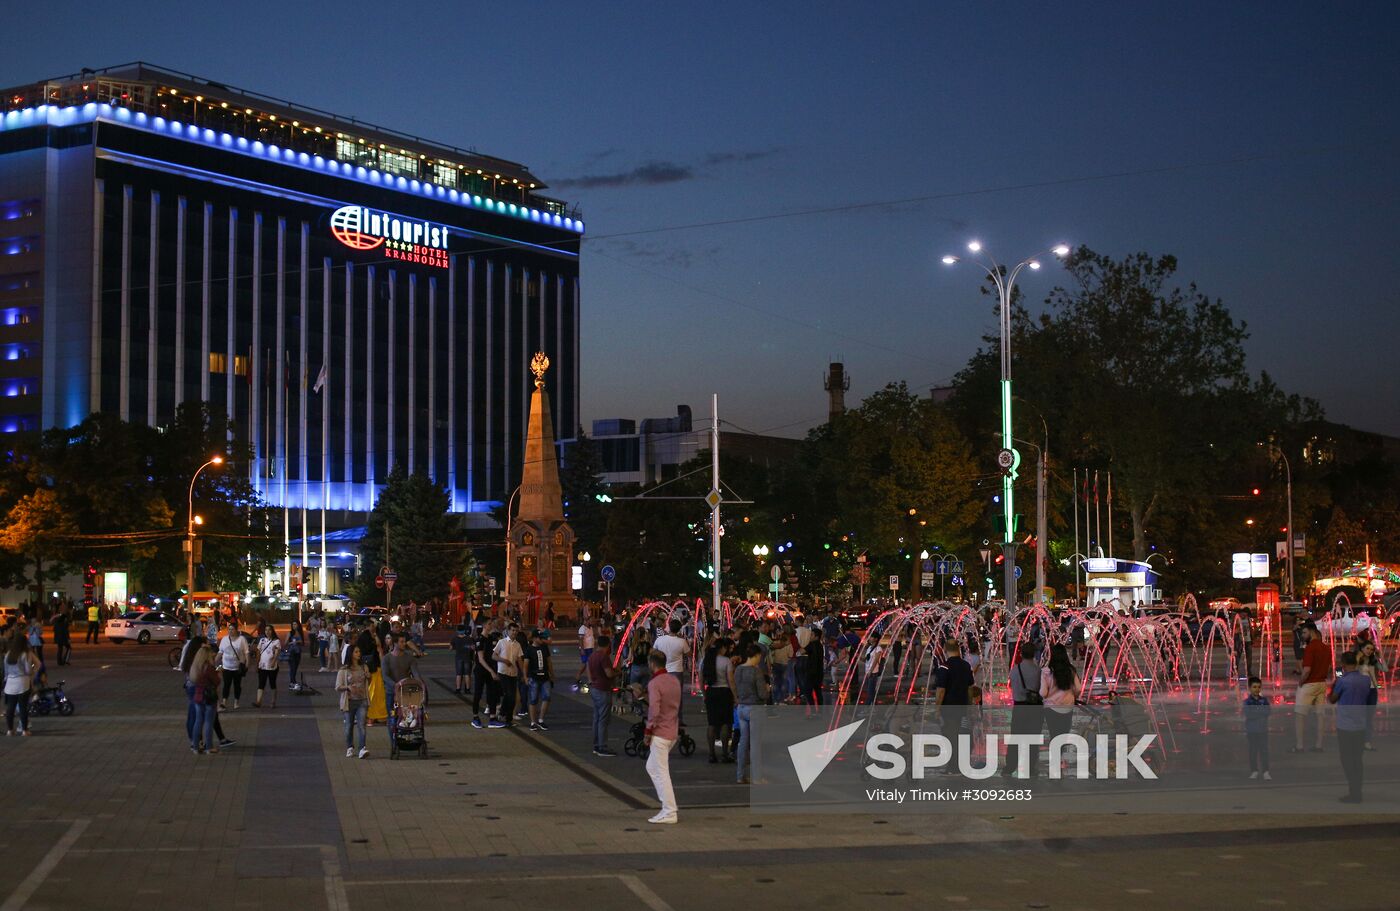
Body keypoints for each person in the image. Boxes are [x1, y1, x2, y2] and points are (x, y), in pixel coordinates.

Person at [644, 649, 681, 824]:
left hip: (660, 733)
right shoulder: (674, 681)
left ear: (652, 664)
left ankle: (669, 810)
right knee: (652, 767)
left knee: (661, 772)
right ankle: (666, 806)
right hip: (672, 729)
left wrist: (648, 731)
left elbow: (654, 710)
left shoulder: (655, 683)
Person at [1329, 651, 1370, 803]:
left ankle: (1353, 792)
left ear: (1343, 665)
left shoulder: (1343, 681)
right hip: (1360, 724)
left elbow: (1332, 699)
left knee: (1347, 759)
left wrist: (1336, 682)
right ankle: (1357, 791)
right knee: (1358, 760)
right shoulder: (1365, 680)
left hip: (1345, 726)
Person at [1040, 644, 1081, 776]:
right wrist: (1073, 696)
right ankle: (1059, 759)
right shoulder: (1071, 670)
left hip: (1051, 709)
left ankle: (1055, 762)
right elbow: (1078, 689)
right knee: (1063, 735)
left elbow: (1043, 692)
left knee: (1054, 735)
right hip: (1067, 707)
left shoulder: (1046, 671)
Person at [936, 640, 975, 774]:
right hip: (962, 706)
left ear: (946, 649)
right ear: (958, 648)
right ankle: (962, 763)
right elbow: (970, 688)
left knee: (950, 736)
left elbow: (941, 690)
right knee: (962, 734)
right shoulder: (966, 665)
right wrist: (969, 705)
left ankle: (953, 766)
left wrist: (937, 708)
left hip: (948, 708)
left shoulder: (944, 667)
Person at [1007, 641, 1043, 778]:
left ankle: (1010, 767)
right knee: (1033, 739)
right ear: (1034, 654)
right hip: (1034, 708)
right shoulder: (1038, 670)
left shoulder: (1015, 670)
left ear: (1021, 653)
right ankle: (1030, 767)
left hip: (1019, 707)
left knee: (1015, 738)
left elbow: (1012, 686)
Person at [1291, 621, 1329, 753]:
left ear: (1312, 631)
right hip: (1322, 684)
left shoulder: (1310, 648)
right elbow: (1328, 668)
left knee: (1300, 715)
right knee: (1320, 715)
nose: (1302, 635)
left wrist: (1301, 682)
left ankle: (1299, 746)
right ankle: (1319, 745)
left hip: (1309, 684)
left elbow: (1306, 670)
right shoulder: (1326, 647)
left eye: (1304, 632)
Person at [732, 643, 767, 785]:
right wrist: (767, 689)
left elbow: (735, 687)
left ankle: (740, 775)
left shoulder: (738, 669)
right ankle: (757, 777)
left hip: (741, 708)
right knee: (755, 744)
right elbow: (762, 694)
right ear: (757, 655)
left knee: (743, 742)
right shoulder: (756, 671)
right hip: (754, 708)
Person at [702, 637, 735, 763]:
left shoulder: (706, 660)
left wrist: (705, 694)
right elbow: (731, 680)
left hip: (711, 692)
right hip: (724, 692)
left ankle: (711, 754)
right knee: (726, 722)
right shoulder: (726, 661)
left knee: (712, 723)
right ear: (722, 648)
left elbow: (701, 679)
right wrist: (735, 696)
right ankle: (725, 754)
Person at [336, 645, 371, 759]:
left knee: (362, 725)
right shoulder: (344, 670)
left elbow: (367, 683)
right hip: (349, 701)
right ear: (351, 654)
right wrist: (347, 687)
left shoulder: (364, 667)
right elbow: (337, 686)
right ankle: (350, 747)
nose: (358, 653)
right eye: (356, 652)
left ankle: (362, 748)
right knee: (349, 725)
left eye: (359, 651)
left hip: (362, 700)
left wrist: (368, 677)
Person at [587, 633, 618, 755]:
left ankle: (596, 744)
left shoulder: (592, 656)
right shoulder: (603, 657)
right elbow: (609, 674)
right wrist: (617, 673)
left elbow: (589, 671)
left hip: (594, 688)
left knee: (597, 718)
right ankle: (602, 746)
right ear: (607, 645)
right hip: (603, 689)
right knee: (603, 719)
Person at [188, 641, 220, 753]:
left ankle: (195, 746)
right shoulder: (209, 667)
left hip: (198, 695)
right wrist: (218, 674)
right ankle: (209, 747)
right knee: (208, 722)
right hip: (208, 696)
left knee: (198, 721)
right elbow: (216, 681)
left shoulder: (195, 666)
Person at [491, 625, 524, 728]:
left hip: (513, 673)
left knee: (512, 697)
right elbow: (494, 656)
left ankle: (507, 718)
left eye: (516, 631)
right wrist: (504, 660)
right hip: (503, 672)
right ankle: (502, 714)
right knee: (508, 694)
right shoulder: (502, 642)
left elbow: (519, 660)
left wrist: (523, 673)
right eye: (512, 630)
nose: (514, 633)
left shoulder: (518, 645)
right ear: (508, 631)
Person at [1355, 640, 1385, 751]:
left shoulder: (1373, 661)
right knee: (1359, 716)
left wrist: (1380, 656)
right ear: (1361, 648)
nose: (1369, 651)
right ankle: (1357, 741)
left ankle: (1367, 742)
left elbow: (1385, 669)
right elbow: (1340, 670)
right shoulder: (1355, 658)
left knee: (1369, 717)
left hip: (1372, 691)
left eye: (1371, 649)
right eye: (1367, 648)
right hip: (1360, 690)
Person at [3, 633, 34, 736]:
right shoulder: (25, 654)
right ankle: (25, 730)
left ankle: (10, 730)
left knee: (10, 708)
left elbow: (6, 671)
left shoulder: (8, 654)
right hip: (22, 683)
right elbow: (28, 670)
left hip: (10, 683)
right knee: (22, 707)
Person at [1243, 676, 1272, 780]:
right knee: (1253, 751)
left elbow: (1268, 712)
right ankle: (1254, 770)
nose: (1257, 689)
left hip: (1263, 730)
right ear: (1250, 688)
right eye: (1254, 687)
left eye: (1259, 687)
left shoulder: (1264, 700)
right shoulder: (1247, 702)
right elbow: (1248, 714)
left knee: (1264, 751)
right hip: (1252, 731)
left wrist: (1256, 712)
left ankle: (1265, 771)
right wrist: (1260, 713)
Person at [524, 629, 554, 731]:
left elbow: (549, 662)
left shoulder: (544, 647)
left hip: (545, 677)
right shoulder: (529, 649)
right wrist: (525, 677)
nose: (542, 640)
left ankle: (541, 719)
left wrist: (552, 674)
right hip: (534, 677)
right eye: (540, 638)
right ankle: (533, 722)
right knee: (533, 700)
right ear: (535, 638)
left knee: (547, 697)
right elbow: (525, 665)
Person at [218, 624, 249, 709]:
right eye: (229, 629)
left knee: (237, 685)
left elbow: (246, 652)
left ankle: (236, 702)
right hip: (226, 667)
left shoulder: (242, 639)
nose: (230, 631)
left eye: (232, 629)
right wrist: (214, 660)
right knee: (226, 684)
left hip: (237, 667)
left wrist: (247, 663)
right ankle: (224, 702)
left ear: (236, 630)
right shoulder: (224, 639)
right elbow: (220, 651)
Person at [253, 627, 282, 708]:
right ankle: (258, 701)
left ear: (272, 631)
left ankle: (273, 702)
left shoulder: (276, 641)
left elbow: (277, 652)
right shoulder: (262, 640)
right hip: (262, 666)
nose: (267, 632)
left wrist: (273, 661)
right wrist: (257, 663)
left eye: (269, 630)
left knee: (272, 684)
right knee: (261, 684)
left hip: (272, 667)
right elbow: (258, 652)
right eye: (266, 630)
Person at [450, 623, 473, 695]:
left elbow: (450, 648)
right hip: (467, 657)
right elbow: (473, 647)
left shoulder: (454, 638)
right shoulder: (469, 638)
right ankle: (468, 689)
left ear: (457, 630)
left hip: (458, 658)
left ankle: (458, 689)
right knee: (467, 674)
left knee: (459, 674)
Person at [574, 620, 596, 690]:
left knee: (585, 664)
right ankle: (589, 680)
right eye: (591, 620)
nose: (593, 621)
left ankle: (577, 676)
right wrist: (581, 649)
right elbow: (580, 639)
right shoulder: (582, 628)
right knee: (587, 663)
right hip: (585, 648)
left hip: (590, 648)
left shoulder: (591, 628)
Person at [285, 621, 304, 689]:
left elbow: (302, 643)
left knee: (295, 668)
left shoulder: (300, 633)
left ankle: (293, 681)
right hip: (291, 652)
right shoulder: (290, 633)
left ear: (298, 625)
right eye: (292, 624)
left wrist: (298, 642)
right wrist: (290, 642)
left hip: (298, 652)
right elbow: (285, 643)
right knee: (292, 667)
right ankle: (292, 683)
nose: (294, 626)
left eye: (295, 624)